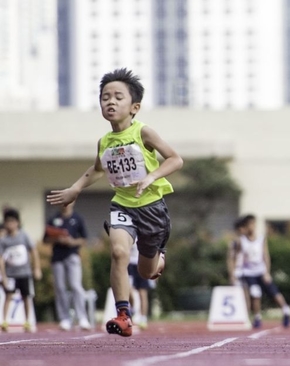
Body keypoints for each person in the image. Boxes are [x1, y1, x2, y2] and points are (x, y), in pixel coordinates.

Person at [46, 68, 183, 337]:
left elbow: (175, 159)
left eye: (118, 97)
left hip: (152, 208)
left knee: (145, 273)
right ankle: (124, 315)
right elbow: (98, 169)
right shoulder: (105, 141)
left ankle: (159, 257)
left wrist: (151, 177)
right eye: (105, 97)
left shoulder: (144, 133)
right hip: (122, 205)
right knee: (119, 253)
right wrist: (75, 188)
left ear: (135, 107)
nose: (110, 101)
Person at [44, 203, 91, 331]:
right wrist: (57, 239)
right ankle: (64, 318)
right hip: (57, 257)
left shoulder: (78, 218)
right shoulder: (53, 219)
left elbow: (84, 239)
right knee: (60, 288)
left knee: (76, 286)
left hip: (72, 256)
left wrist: (71, 241)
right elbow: (46, 239)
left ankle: (82, 318)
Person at [240, 214, 290, 328]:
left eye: (253, 224)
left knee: (274, 292)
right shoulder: (242, 240)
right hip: (249, 272)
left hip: (261, 271)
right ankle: (257, 317)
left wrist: (267, 272)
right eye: (249, 225)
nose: (251, 227)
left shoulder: (261, 239)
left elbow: (265, 255)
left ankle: (286, 311)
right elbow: (239, 257)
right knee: (255, 292)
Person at [0, 208, 41, 332]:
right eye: (7, 222)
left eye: (12, 221)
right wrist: (4, 276)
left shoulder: (24, 236)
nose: (10, 224)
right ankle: (5, 321)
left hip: (24, 273)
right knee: (8, 296)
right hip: (11, 274)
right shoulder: (4, 240)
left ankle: (27, 321)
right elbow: (1, 259)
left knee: (26, 297)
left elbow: (33, 251)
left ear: (17, 222)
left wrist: (37, 268)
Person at [128, 240, 151, 330]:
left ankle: (143, 318)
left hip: (142, 263)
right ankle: (132, 309)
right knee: (128, 290)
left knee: (143, 292)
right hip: (130, 264)